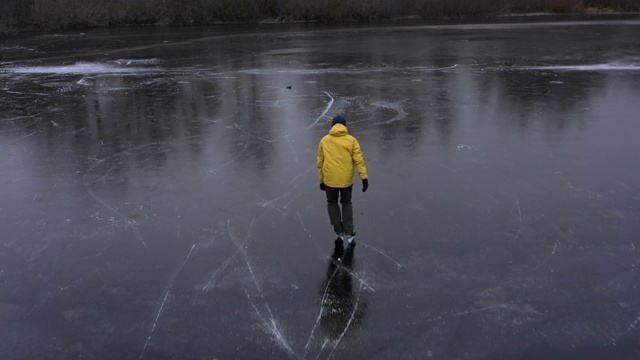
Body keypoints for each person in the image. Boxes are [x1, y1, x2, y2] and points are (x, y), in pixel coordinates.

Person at [317, 115, 368, 245]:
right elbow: (359, 159)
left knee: (332, 203)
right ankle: (349, 232)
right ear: (345, 126)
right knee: (346, 203)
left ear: (332, 126)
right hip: (346, 180)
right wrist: (364, 177)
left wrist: (321, 180)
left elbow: (320, 162)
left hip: (330, 179)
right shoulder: (351, 140)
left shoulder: (324, 140)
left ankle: (339, 231)